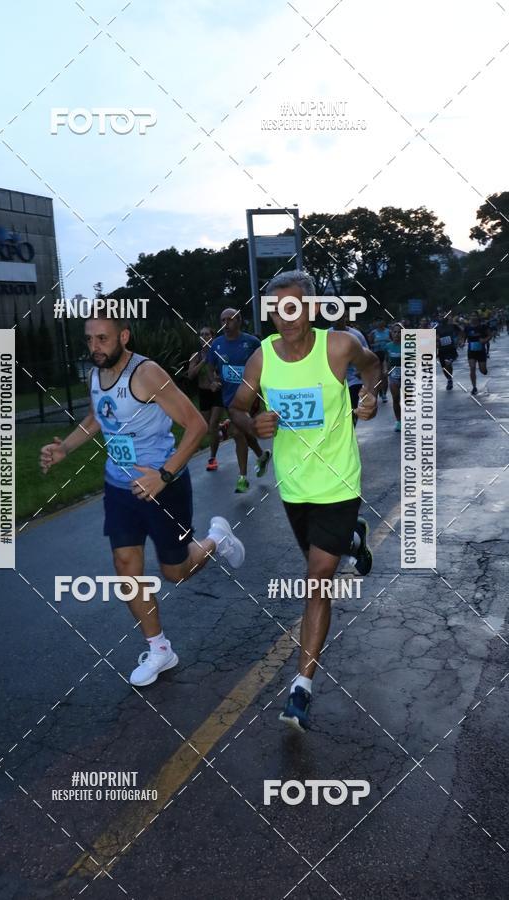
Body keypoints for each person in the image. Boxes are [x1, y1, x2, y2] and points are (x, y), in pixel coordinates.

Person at [40, 308, 245, 687]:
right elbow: (97, 418)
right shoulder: (96, 374)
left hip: (164, 487)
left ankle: (217, 539)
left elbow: (196, 425)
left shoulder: (146, 374)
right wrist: (64, 449)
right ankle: (160, 649)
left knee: (175, 573)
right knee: (125, 565)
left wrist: (164, 476)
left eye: (102, 338)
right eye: (89, 339)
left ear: (124, 336)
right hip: (119, 488)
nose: (94, 347)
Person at [229, 270, 379, 733]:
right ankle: (353, 541)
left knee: (317, 577)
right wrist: (252, 423)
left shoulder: (338, 347)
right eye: (277, 308)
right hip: (294, 487)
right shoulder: (261, 360)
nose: (286, 316)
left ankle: (301, 687)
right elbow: (236, 407)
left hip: (338, 483)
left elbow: (374, 366)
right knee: (322, 560)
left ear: (312, 309)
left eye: (294, 306)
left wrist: (370, 392)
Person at [206, 308, 271, 493]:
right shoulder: (217, 345)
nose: (226, 323)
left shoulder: (252, 342)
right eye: (222, 320)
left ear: (239, 321)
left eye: (230, 319)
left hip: (249, 397)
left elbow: (267, 365)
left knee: (237, 433)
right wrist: (213, 381)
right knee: (243, 431)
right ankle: (261, 455)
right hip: (229, 397)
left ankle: (242, 478)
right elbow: (210, 368)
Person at [188, 325, 224, 471]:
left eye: (207, 334)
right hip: (204, 394)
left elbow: (226, 372)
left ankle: (212, 458)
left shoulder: (219, 353)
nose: (204, 337)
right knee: (207, 427)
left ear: (213, 337)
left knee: (212, 425)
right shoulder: (195, 355)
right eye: (201, 335)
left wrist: (217, 381)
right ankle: (223, 428)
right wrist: (203, 360)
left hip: (217, 393)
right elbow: (191, 375)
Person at [329, 308, 370, 427]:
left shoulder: (356, 335)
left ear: (345, 317)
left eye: (339, 317)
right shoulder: (326, 335)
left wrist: (361, 369)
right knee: (337, 410)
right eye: (333, 318)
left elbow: (367, 355)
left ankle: (351, 430)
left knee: (352, 408)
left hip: (353, 379)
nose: (336, 321)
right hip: (334, 379)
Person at [461, 313, 491, 395]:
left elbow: (489, 335)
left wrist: (485, 340)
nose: (473, 317)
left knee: (483, 370)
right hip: (471, 351)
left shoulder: (483, 326)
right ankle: (474, 387)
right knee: (472, 367)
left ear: (478, 317)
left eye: (475, 316)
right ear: (470, 317)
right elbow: (464, 337)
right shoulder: (467, 327)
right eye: (472, 315)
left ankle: (484, 369)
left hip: (481, 351)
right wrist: (463, 342)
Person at [384, 323, 402, 430]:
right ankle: (399, 421)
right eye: (395, 332)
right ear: (391, 333)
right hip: (394, 375)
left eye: (399, 332)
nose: (397, 334)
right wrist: (385, 369)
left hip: (407, 375)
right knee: (396, 399)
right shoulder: (388, 346)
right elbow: (386, 361)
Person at [436, 317, 462, 390]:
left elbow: (461, 331)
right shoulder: (437, 328)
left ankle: (450, 379)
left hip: (451, 349)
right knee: (444, 367)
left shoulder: (452, 326)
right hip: (441, 350)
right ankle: (449, 379)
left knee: (448, 363)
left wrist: (459, 340)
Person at [368, 318, 390, 402]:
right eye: (378, 321)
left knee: (385, 375)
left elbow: (394, 340)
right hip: (376, 355)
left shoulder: (388, 331)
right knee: (378, 376)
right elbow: (369, 344)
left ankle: (384, 393)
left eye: (381, 321)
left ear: (384, 322)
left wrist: (387, 342)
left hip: (386, 355)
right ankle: (380, 391)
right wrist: (376, 344)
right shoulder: (373, 333)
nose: (380, 322)